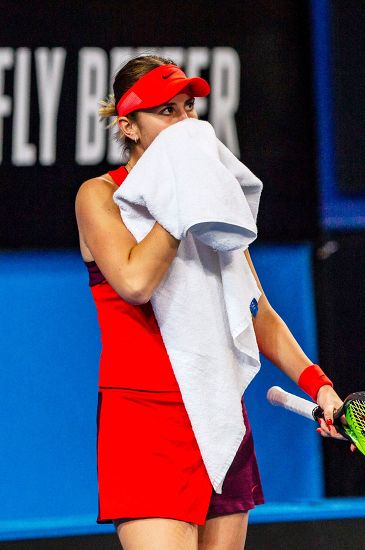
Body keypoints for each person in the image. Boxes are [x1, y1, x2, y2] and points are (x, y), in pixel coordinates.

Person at [75, 54, 348, 550]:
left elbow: (256, 312)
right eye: (166, 112)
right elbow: (135, 282)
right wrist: (186, 203)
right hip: (144, 423)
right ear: (128, 127)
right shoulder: (98, 197)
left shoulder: (215, 205)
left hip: (219, 418)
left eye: (188, 108)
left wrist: (319, 385)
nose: (183, 123)